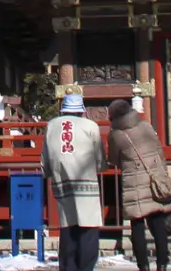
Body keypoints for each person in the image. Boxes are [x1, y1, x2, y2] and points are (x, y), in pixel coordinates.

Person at [108, 98, 171, 271]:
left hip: (134, 184)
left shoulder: (116, 134)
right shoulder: (146, 126)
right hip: (154, 181)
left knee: (137, 226)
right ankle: (162, 264)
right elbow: (159, 150)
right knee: (158, 223)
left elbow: (114, 159)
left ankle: (143, 266)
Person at [42, 93, 105, 271]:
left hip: (62, 181)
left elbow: (45, 156)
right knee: (88, 226)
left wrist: (47, 172)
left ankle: (68, 266)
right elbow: (99, 156)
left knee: (68, 224)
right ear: (81, 110)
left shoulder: (51, 125)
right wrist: (101, 167)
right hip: (86, 182)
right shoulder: (91, 126)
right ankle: (86, 267)